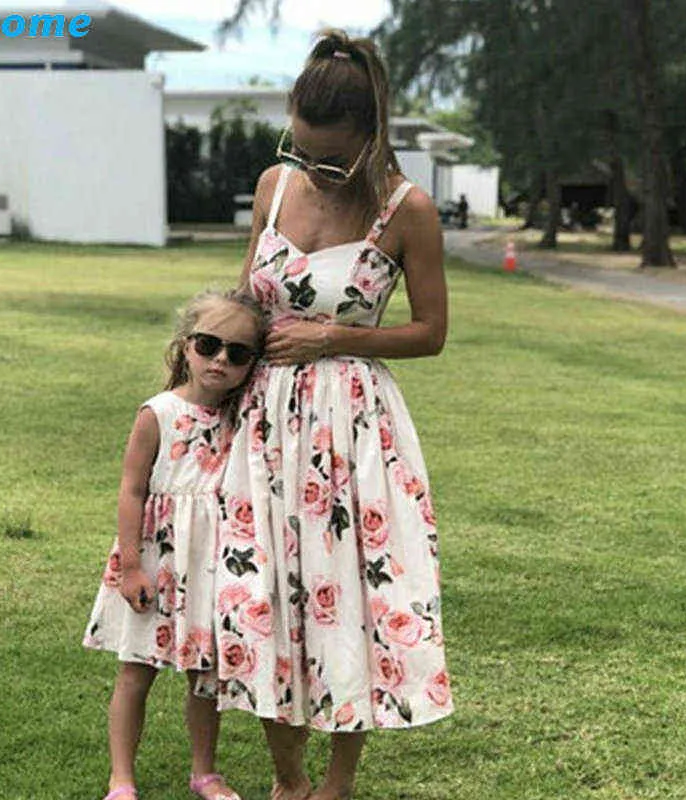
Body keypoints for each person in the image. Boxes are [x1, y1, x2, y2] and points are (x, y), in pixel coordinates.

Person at [211, 29, 453, 800]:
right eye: (303, 150)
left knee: (346, 594)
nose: (313, 168)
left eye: (330, 157)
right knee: (260, 592)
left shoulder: (407, 210)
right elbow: (246, 299)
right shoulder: (274, 186)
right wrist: (205, 367)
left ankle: (338, 783)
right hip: (261, 419)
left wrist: (333, 337)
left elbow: (431, 333)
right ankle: (288, 779)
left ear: (370, 133)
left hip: (351, 429)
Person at [83, 289, 266, 800]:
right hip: (156, 559)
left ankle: (204, 772)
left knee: (205, 676)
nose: (220, 360)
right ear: (186, 345)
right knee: (135, 670)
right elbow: (132, 490)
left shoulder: (243, 415)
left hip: (211, 563)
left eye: (238, 353)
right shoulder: (158, 412)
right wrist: (130, 566)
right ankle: (121, 778)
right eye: (209, 344)